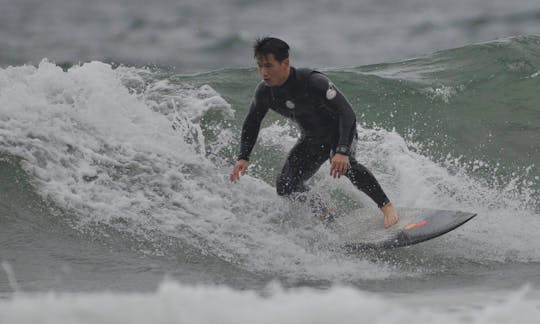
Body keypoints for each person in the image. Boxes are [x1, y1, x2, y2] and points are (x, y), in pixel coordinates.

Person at [229, 37, 399, 228]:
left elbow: (347, 113)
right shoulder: (265, 93)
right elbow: (252, 122)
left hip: (339, 132)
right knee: (286, 185)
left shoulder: (312, 81)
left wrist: (342, 150)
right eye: (260, 66)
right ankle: (327, 213)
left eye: (269, 66)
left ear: (285, 63)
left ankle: (387, 206)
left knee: (347, 166)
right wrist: (243, 157)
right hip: (312, 139)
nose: (264, 72)